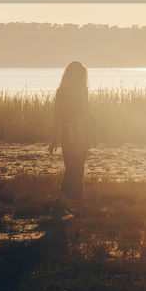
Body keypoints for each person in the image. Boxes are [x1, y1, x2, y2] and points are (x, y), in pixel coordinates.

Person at [48, 60, 92, 206]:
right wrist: (90, 133)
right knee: (78, 166)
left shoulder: (61, 92)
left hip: (66, 133)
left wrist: (54, 138)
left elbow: (57, 117)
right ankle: (67, 198)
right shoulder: (81, 90)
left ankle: (69, 199)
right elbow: (86, 114)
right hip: (80, 132)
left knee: (72, 166)